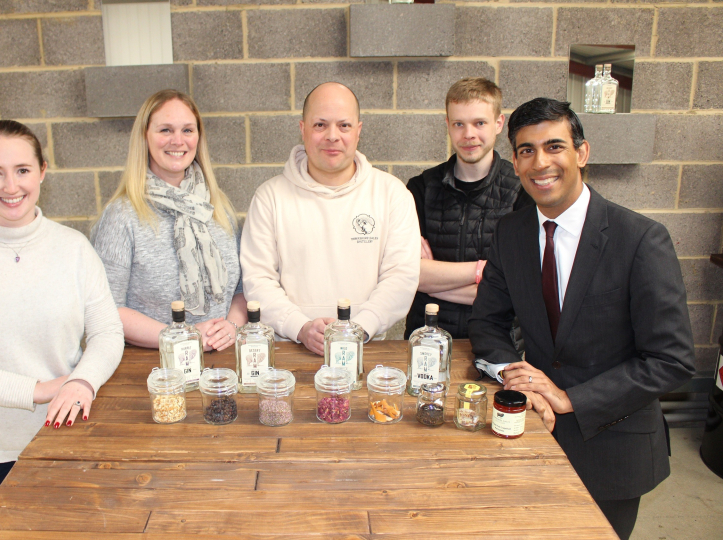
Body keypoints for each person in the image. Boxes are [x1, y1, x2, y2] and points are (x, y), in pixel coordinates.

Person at [468, 98, 695, 540]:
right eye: (526, 150)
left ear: (582, 153)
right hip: (531, 431)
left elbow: (672, 360)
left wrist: (568, 397)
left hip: (613, 448)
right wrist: (518, 379)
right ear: (514, 162)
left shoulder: (641, 239)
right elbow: (487, 323)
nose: (541, 162)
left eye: (555, 146)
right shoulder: (510, 233)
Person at [0, 120, 125, 517]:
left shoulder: (73, 248)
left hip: (64, 434)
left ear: (43, 171)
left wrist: (82, 381)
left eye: (22, 170)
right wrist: (38, 389)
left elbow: (107, 331)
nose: (10, 186)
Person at [240, 82, 420, 354]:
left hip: (367, 350)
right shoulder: (270, 197)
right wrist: (300, 327)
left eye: (344, 126)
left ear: (358, 131)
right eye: (320, 125)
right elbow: (257, 278)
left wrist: (357, 330)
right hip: (291, 351)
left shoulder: (392, 194)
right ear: (303, 129)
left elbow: (401, 277)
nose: (332, 136)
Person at [92, 89, 247, 350]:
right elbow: (107, 308)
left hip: (221, 364)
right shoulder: (122, 216)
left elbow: (242, 290)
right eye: (165, 130)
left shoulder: (218, 209)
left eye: (187, 130)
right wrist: (182, 338)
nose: (178, 140)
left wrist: (232, 326)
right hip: (152, 367)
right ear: (145, 137)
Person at [405, 77, 532, 338]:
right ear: (448, 126)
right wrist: (482, 270)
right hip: (426, 340)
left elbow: (519, 289)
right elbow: (408, 273)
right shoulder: (420, 188)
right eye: (459, 124)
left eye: (479, 123)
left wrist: (433, 285)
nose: (468, 134)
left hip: (499, 341)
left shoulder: (523, 191)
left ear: (499, 124)